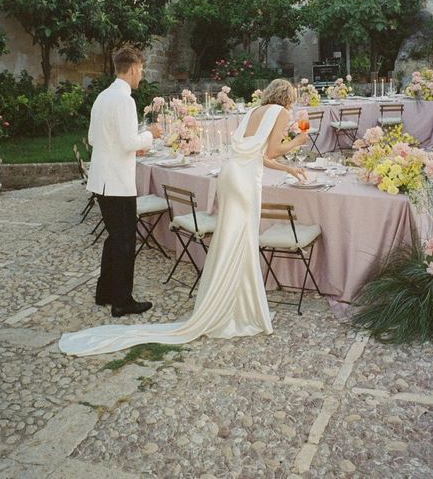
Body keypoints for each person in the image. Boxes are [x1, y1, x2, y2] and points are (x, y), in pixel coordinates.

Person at [60, 79, 307, 356]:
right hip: (246, 183)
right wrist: (297, 141)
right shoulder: (281, 113)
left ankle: (234, 302)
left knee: (233, 241)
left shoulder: (252, 112)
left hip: (231, 175)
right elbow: (272, 150)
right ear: (287, 97)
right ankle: (235, 307)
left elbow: (257, 155)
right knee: (241, 242)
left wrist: (289, 169)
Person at [87, 46, 161, 318]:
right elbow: (129, 142)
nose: (141, 75)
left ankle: (104, 292)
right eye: (140, 69)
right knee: (125, 242)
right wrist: (150, 134)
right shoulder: (125, 100)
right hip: (117, 182)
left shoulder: (103, 96)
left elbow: (95, 139)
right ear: (131, 69)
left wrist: (131, 142)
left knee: (114, 239)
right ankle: (121, 302)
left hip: (101, 181)